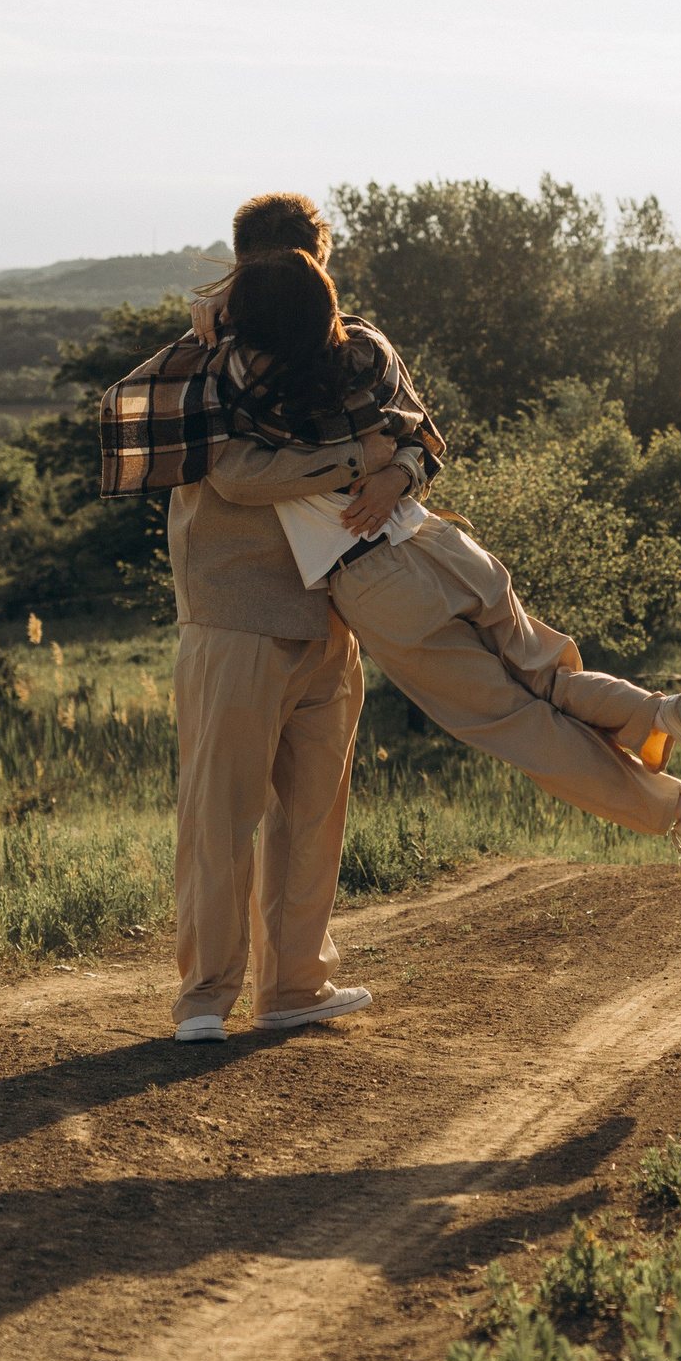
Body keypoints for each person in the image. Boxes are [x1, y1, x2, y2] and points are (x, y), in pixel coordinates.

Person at [210, 247, 681, 897]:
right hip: (440, 539)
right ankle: (664, 711)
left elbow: (228, 472)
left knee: (519, 725)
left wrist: (213, 314)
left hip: (373, 576)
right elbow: (416, 437)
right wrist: (396, 470)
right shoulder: (360, 359)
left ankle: (679, 809)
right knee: (553, 679)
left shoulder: (254, 390)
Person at [99, 194, 436, 1045]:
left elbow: (419, 432)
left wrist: (396, 468)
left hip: (333, 610)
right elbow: (239, 475)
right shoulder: (208, 358)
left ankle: (292, 986)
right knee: (224, 812)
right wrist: (358, 457)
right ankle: (205, 1000)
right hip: (238, 612)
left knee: (307, 814)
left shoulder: (347, 355)